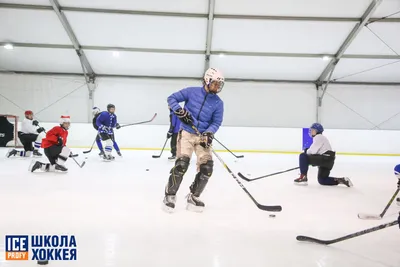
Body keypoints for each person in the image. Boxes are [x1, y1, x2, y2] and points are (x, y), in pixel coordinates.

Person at [163, 68, 225, 212]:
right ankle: (169, 196)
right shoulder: (191, 92)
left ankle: (194, 197)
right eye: (215, 84)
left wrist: (209, 133)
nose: (217, 87)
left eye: (219, 85)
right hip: (187, 133)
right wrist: (180, 111)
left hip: (202, 137)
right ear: (207, 80)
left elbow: (216, 122)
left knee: (207, 167)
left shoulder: (218, 103)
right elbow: (171, 98)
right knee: (181, 165)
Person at [294, 123, 353, 187]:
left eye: (312, 130)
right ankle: (342, 180)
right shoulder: (322, 138)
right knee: (322, 180)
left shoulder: (318, 137)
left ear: (317, 131)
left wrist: (306, 152)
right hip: (329, 161)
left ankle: (303, 177)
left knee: (303, 156)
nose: (311, 131)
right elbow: (317, 151)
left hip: (325, 158)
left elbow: (312, 151)